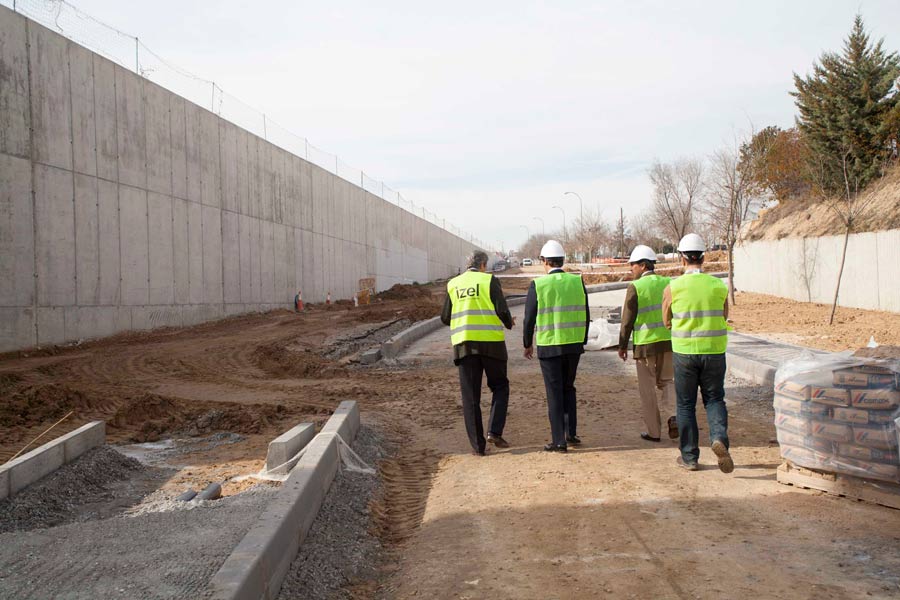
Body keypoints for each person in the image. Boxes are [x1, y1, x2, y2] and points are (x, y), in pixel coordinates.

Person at [662, 233, 734, 473]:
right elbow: (724, 315)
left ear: (682, 258)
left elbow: (666, 320)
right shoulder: (717, 285)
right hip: (714, 352)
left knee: (685, 405)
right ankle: (719, 439)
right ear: (703, 257)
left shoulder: (673, 287)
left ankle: (690, 457)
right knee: (714, 399)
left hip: (685, 353)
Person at [441, 250, 515, 456]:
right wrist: (509, 323)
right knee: (500, 386)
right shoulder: (489, 281)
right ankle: (494, 431)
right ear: (483, 264)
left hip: (464, 346)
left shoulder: (453, 284)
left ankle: (478, 446)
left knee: (470, 396)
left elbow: (445, 317)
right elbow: (501, 309)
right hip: (492, 344)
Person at [523, 240, 590, 452]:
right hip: (573, 345)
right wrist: (583, 339)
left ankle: (558, 440)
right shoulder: (577, 281)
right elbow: (586, 314)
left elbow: (529, 318)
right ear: (563, 260)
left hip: (549, 346)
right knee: (568, 387)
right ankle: (571, 433)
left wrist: (527, 344)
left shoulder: (538, 285)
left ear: (544, 262)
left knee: (554, 392)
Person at [617, 245, 677, 443]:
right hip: (668, 342)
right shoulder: (668, 283)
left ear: (643, 265)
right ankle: (672, 417)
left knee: (648, 389)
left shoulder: (636, 287)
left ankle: (654, 432)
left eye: (633, 265)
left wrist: (622, 345)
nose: (631, 269)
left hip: (645, 346)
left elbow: (627, 319)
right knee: (668, 382)